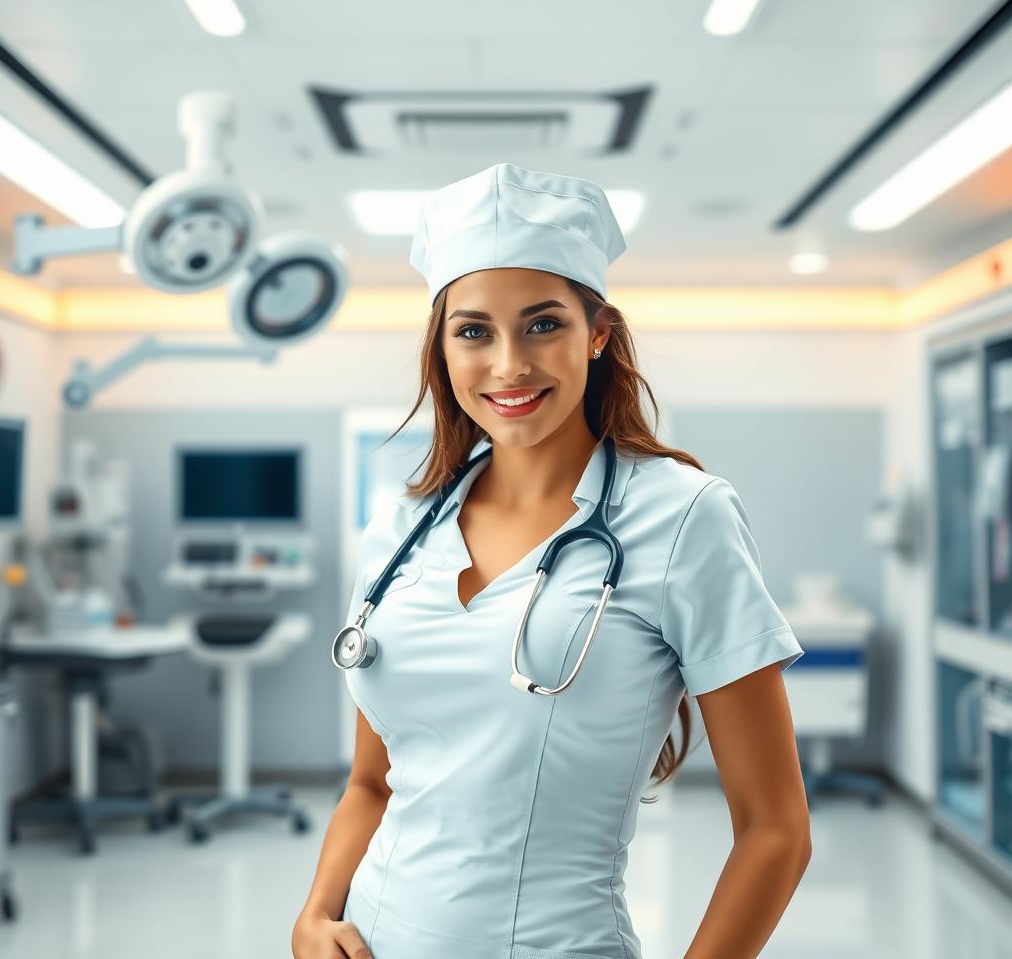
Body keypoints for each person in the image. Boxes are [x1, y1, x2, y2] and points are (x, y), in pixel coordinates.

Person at [293, 163, 811, 959]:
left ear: (597, 332)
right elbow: (373, 784)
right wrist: (315, 915)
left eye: (542, 325)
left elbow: (775, 830)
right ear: (442, 343)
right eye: (473, 331)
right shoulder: (401, 530)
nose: (508, 365)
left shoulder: (682, 517)